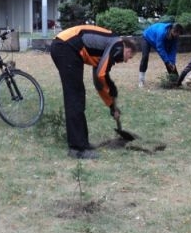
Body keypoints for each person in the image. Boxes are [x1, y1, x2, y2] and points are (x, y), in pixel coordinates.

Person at [50, 25, 138, 159]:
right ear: (127, 49)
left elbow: (99, 81)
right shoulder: (118, 44)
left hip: (65, 47)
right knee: (75, 97)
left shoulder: (103, 50)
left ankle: (82, 143)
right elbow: (102, 75)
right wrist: (111, 87)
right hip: (67, 46)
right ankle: (77, 148)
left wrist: (111, 106)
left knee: (77, 96)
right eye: (129, 57)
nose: (125, 61)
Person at [139, 22, 183, 87]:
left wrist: (172, 62)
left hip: (157, 39)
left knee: (170, 61)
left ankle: (176, 82)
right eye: (176, 33)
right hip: (147, 38)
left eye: (178, 34)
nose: (177, 35)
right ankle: (141, 80)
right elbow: (160, 48)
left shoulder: (175, 36)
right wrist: (168, 61)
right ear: (172, 30)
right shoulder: (161, 33)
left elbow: (173, 50)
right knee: (145, 57)